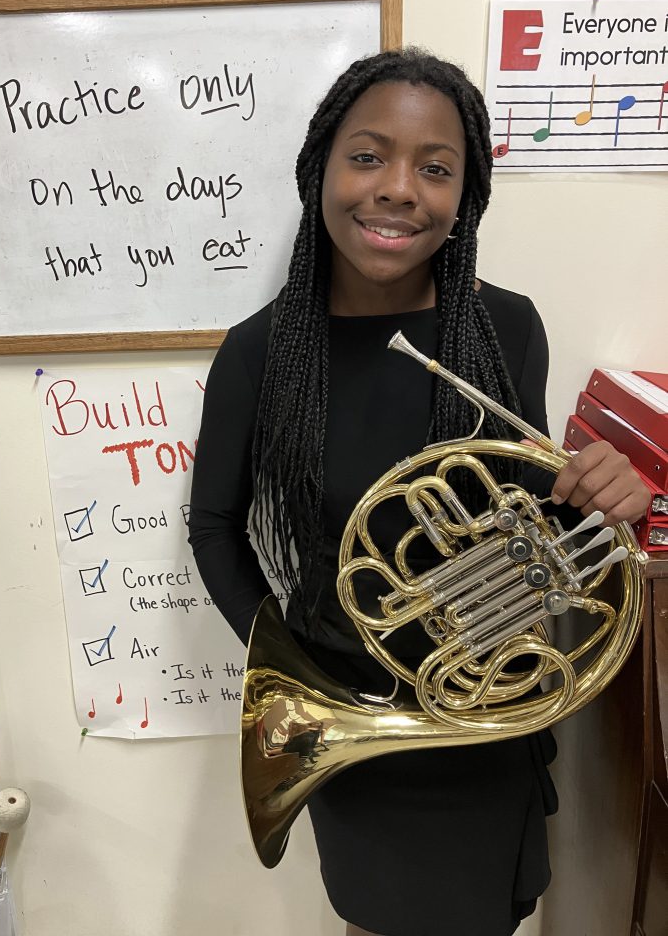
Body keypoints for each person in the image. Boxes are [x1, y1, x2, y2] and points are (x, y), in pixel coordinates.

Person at [188, 48, 649, 936]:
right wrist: (290, 672)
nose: (398, 188)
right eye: (366, 156)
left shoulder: (505, 326)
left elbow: (525, 509)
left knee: (494, 915)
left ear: (462, 199)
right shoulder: (260, 351)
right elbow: (215, 527)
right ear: (318, 169)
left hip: (485, 706)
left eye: (435, 169)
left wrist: (596, 494)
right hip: (356, 718)